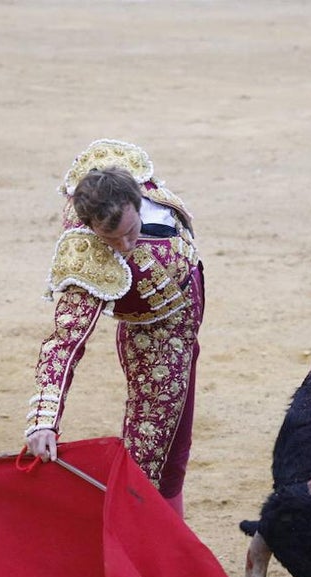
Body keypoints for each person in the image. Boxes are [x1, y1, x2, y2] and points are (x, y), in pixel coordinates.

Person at [23, 139, 204, 517]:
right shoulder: (89, 260)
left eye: (130, 231)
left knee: (176, 449)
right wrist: (44, 422)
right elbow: (64, 343)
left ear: (137, 199)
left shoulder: (124, 173)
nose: (123, 245)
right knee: (151, 463)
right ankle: (155, 553)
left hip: (187, 320)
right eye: (111, 238)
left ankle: (166, 547)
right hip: (155, 342)